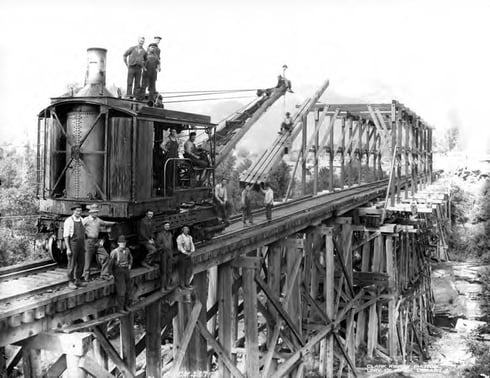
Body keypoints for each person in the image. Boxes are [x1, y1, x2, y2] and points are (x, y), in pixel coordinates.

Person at [82, 204, 115, 281]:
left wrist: (113, 223)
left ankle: (104, 274)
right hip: (89, 241)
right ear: (90, 213)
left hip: (96, 241)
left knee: (106, 256)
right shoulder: (86, 220)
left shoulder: (98, 220)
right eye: (94, 212)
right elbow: (80, 228)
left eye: (96, 212)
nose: (96, 213)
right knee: (88, 260)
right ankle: (86, 278)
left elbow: (104, 223)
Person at [63, 204, 87, 289]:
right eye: (77, 211)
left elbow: (84, 234)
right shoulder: (68, 221)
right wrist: (68, 248)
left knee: (81, 263)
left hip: (81, 244)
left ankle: (78, 280)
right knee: (72, 263)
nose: (79, 212)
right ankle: (70, 281)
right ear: (73, 211)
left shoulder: (82, 220)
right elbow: (66, 236)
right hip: (73, 244)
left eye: (80, 211)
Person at [109, 235, 133, 314]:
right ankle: (120, 308)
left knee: (128, 290)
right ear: (118, 243)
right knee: (121, 291)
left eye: (124, 242)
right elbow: (110, 264)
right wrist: (111, 274)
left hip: (126, 270)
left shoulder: (127, 250)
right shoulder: (114, 252)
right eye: (121, 242)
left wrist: (130, 265)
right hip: (119, 271)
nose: (123, 244)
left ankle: (126, 306)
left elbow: (130, 258)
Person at [155, 220, 174, 290]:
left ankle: (167, 285)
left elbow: (171, 244)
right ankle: (162, 287)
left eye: (168, 226)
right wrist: (163, 247)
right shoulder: (160, 234)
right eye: (166, 226)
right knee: (163, 271)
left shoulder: (170, 234)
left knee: (169, 270)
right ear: (163, 226)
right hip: (163, 253)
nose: (167, 227)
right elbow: (157, 244)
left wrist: (171, 253)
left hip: (169, 253)